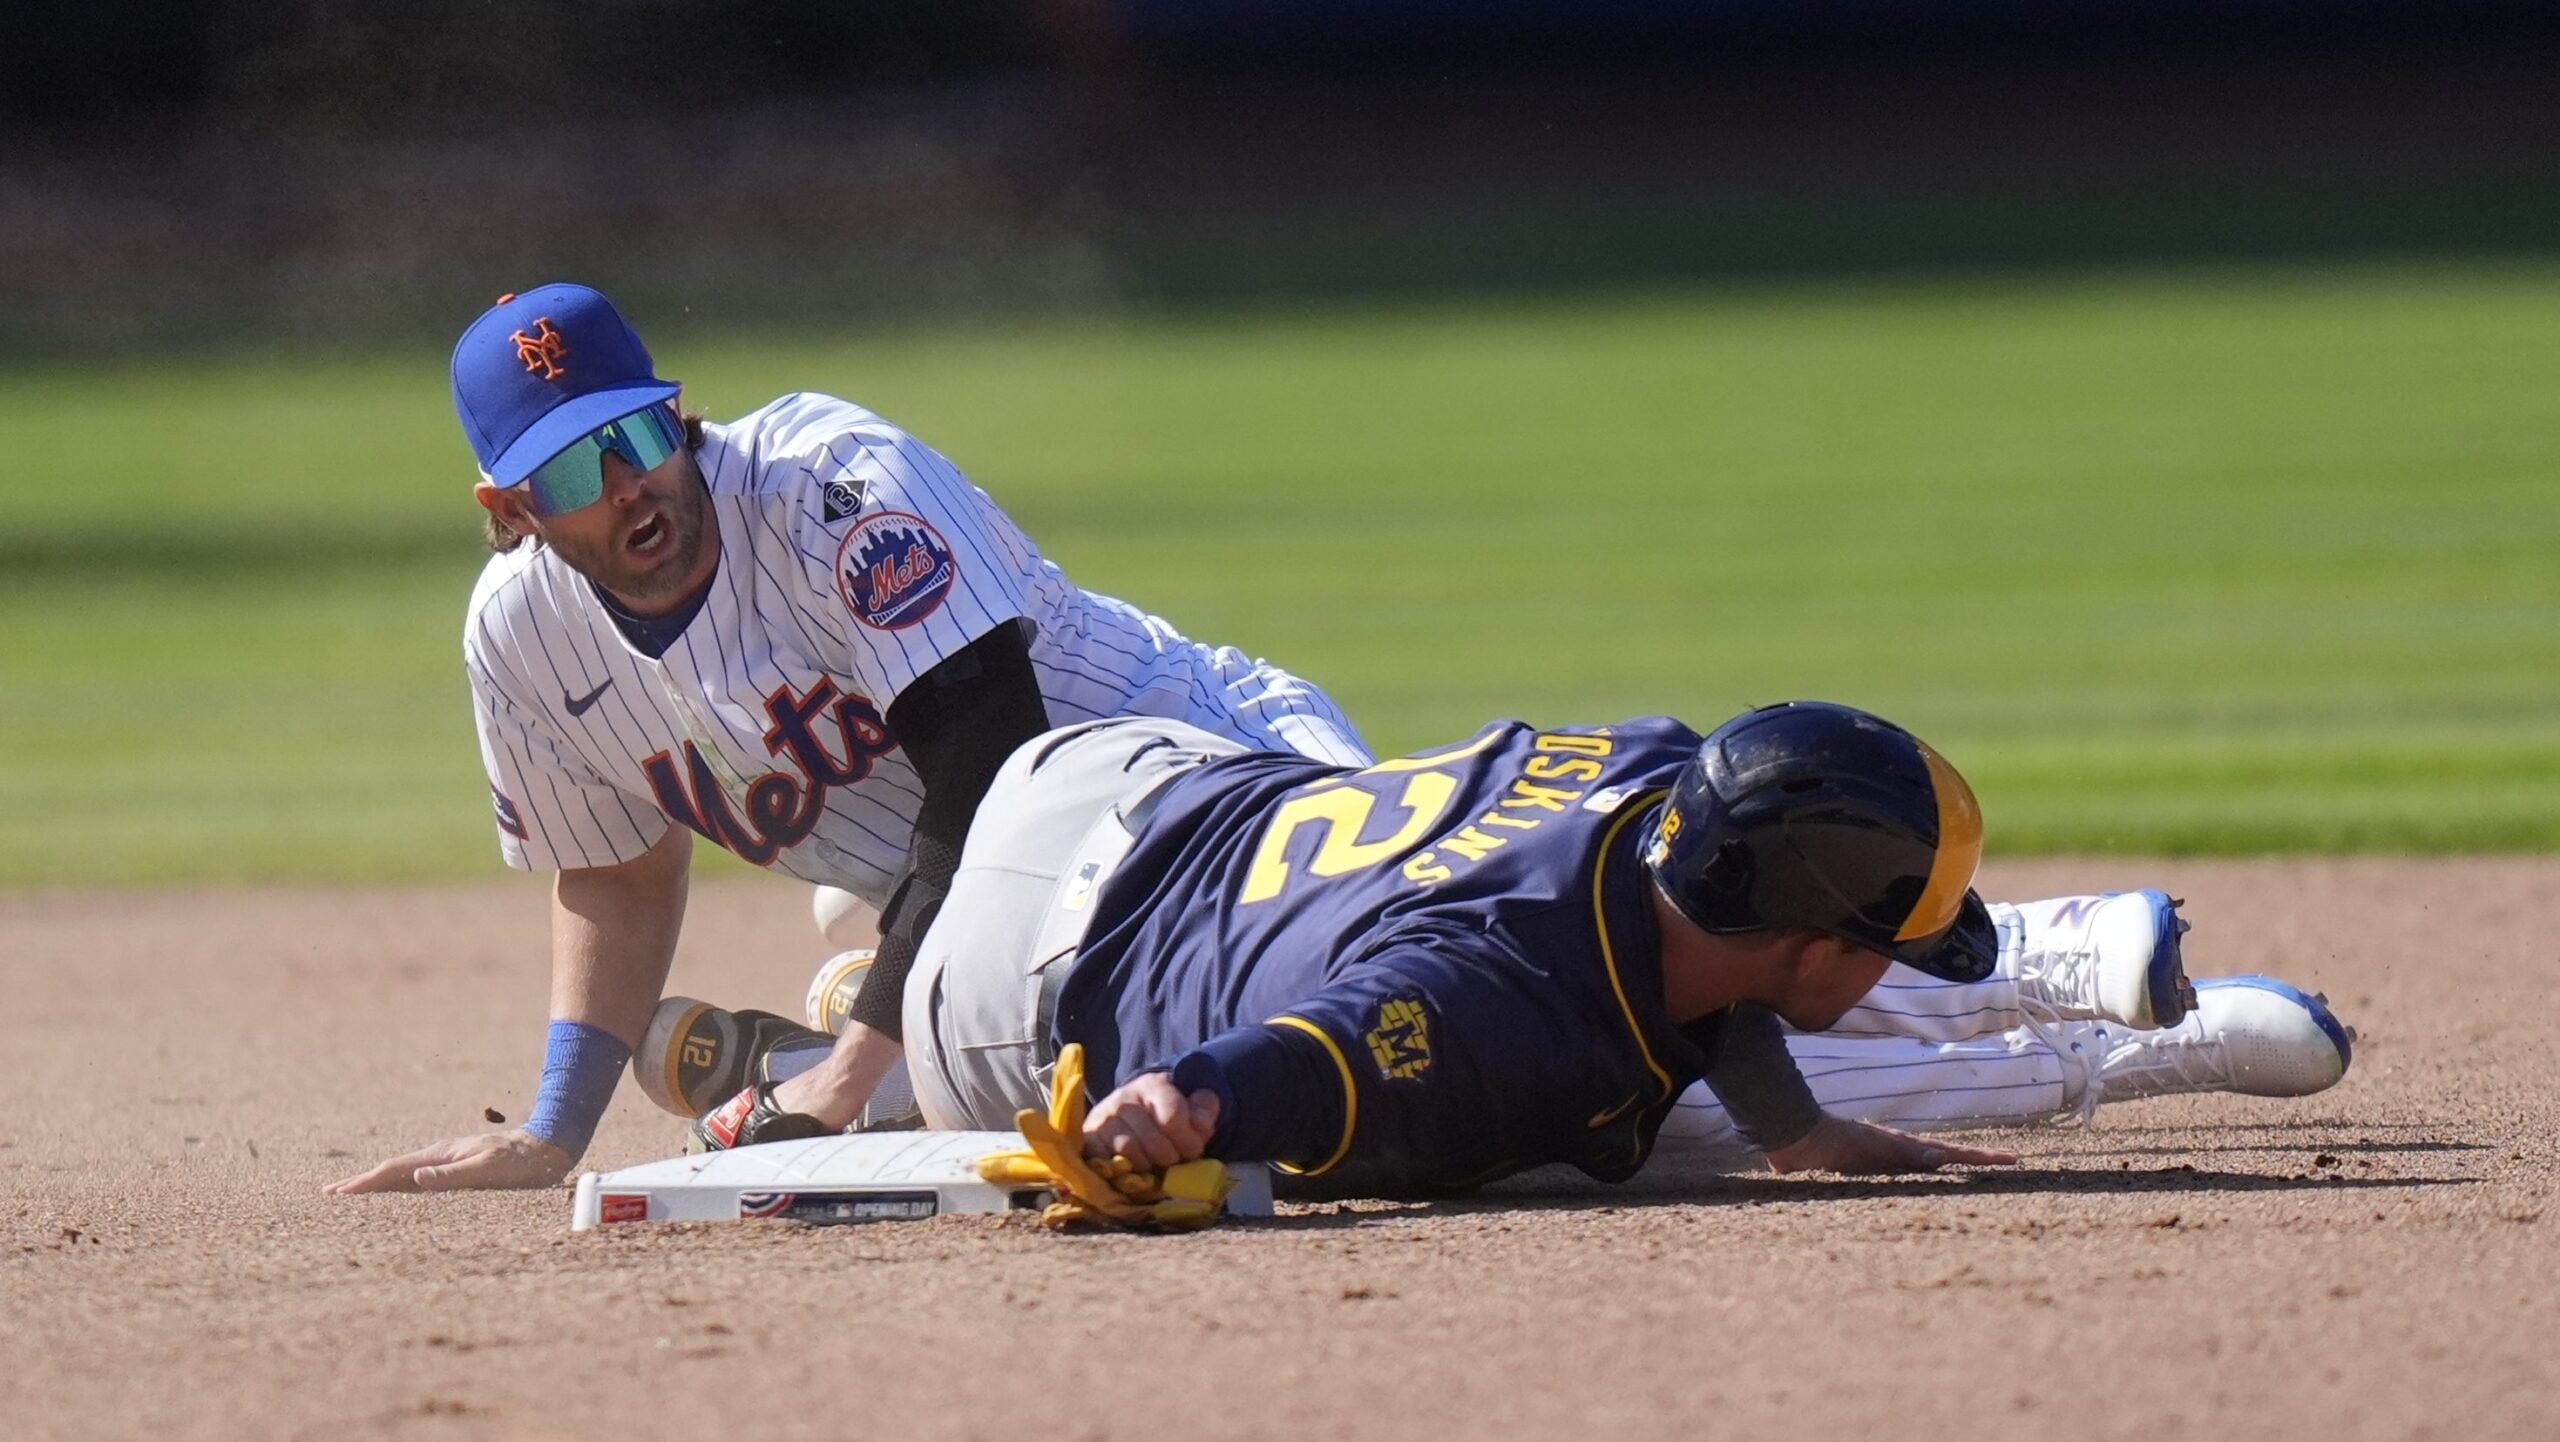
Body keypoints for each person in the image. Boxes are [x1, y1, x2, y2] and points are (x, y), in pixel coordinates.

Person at [326, 283, 1368, 1196]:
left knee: (1337, 1056)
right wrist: (552, 1131)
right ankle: (904, 1017)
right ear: (508, 509)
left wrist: (841, 1079)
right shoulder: (521, 637)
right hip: (1014, 920)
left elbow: (984, 774)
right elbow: (618, 873)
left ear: (678, 415)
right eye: (566, 476)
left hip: (1219, 785)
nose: (621, 487)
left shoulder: (832, 486)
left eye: (633, 438)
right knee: (1135, 1099)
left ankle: (865, 1035)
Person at [882, 701, 2350, 1194]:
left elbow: (1688, 967)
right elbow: (1345, 1055)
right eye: (1882, 939)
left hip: (1121, 774)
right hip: (1008, 997)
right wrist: (1188, 1099)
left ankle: (845, 981)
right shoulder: (1511, 1012)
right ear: (1805, 947)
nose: (1891, 958)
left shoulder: (1658, 765)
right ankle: (864, 1036)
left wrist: (1796, 1128)